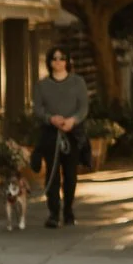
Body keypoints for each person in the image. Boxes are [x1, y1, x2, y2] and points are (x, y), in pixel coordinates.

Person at [31, 49, 90, 227]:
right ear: (49, 62)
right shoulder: (42, 85)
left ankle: (69, 210)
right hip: (51, 134)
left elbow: (83, 107)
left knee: (70, 174)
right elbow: (38, 109)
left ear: (67, 61)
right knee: (52, 172)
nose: (58, 62)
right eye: (54, 59)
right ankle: (53, 212)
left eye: (61, 58)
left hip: (72, 133)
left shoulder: (77, 82)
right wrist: (51, 118)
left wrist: (73, 120)